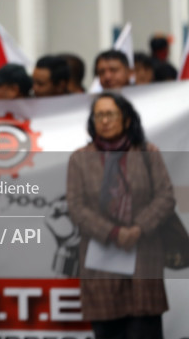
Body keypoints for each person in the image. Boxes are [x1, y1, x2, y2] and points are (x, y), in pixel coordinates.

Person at [67, 92, 175, 338]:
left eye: (110, 114)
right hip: (100, 262)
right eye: (99, 115)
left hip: (143, 258)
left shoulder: (148, 152)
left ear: (127, 120)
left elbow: (165, 196)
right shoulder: (80, 159)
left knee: (144, 328)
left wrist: (137, 229)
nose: (104, 121)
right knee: (108, 331)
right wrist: (113, 232)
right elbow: (76, 206)